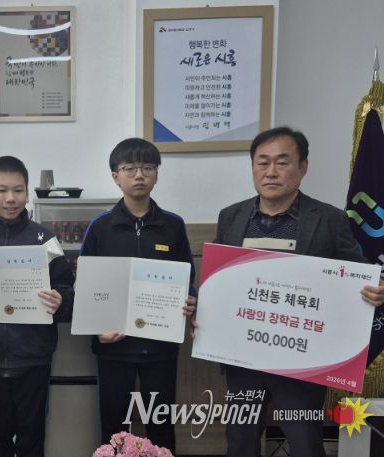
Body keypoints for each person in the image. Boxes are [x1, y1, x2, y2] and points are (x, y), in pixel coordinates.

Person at [210, 126, 384, 457]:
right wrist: (203, 310)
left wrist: (377, 289)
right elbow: (220, 281)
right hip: (242, 356)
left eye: (282, 162)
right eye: (262, 163)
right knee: (241, 441)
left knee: (305, 441)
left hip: (302, 359)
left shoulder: (329, 219)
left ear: (302, 167)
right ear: (253, 167)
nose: (271, 172)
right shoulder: (231, 217)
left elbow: (359, 273)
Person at [79, 137, 197, 453]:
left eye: (147, 167)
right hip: (114, 348)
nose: (139, 175)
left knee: (161, 425)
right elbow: (86, 286)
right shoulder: (100, 227)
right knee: (114, 428)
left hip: (160, 347)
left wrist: (189, 299)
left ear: (156, 174)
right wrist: (98, 330)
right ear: (116, 176)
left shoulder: (173, 225)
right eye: (129, 168)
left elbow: (187, 276)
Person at [0, 156, 75, 457]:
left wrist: (60, 300)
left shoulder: (44, 240)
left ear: (27, 193)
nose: (11, 198)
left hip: (33, 359)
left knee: (32, 439)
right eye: (2, 190)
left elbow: (67, 291)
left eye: (18, 190)